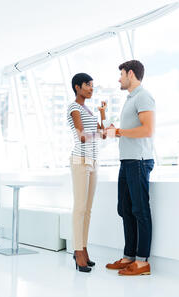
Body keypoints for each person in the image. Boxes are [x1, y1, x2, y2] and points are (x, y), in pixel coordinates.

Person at [105, 60, 156, 276]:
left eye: (122, 74)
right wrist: (116, 131)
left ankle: (143, 262)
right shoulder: (130, 99)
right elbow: (128, 130)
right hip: (127, 161)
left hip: (139, 160)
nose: (119, 78)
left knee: (140, 210)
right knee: (125, 209)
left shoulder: (144, 96)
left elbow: (147, 130)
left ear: (131, 74)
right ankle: (129, 257)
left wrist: (119, 132)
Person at [67, 73, 107, 273]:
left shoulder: (89, 110)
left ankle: (83, 248)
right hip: (80, 160)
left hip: (93, 160)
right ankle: (77, 251)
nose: (91, 89)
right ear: (77, 87)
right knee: (80, 208)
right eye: (87, 85)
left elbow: (103, 133)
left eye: (92, 85)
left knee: (88, 210)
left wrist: (102, 114)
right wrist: (98, 133)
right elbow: (82, 136)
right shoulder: (74, 108)